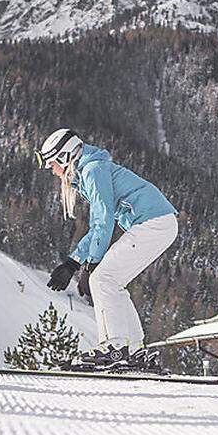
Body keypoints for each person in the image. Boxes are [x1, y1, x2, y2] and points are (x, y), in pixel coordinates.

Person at [38, 128, 177, 371]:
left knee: (103, 278)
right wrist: (73, 263)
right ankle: (133, 349)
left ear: (64, 156)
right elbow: (99, 226)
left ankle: (113, 348)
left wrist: (91, 265)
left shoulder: (92, 170)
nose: (50, 169)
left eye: (51, 163)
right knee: (112, 282)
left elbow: (103, 220)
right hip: (160, 223)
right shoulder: (91, 169)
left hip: (153, 223)